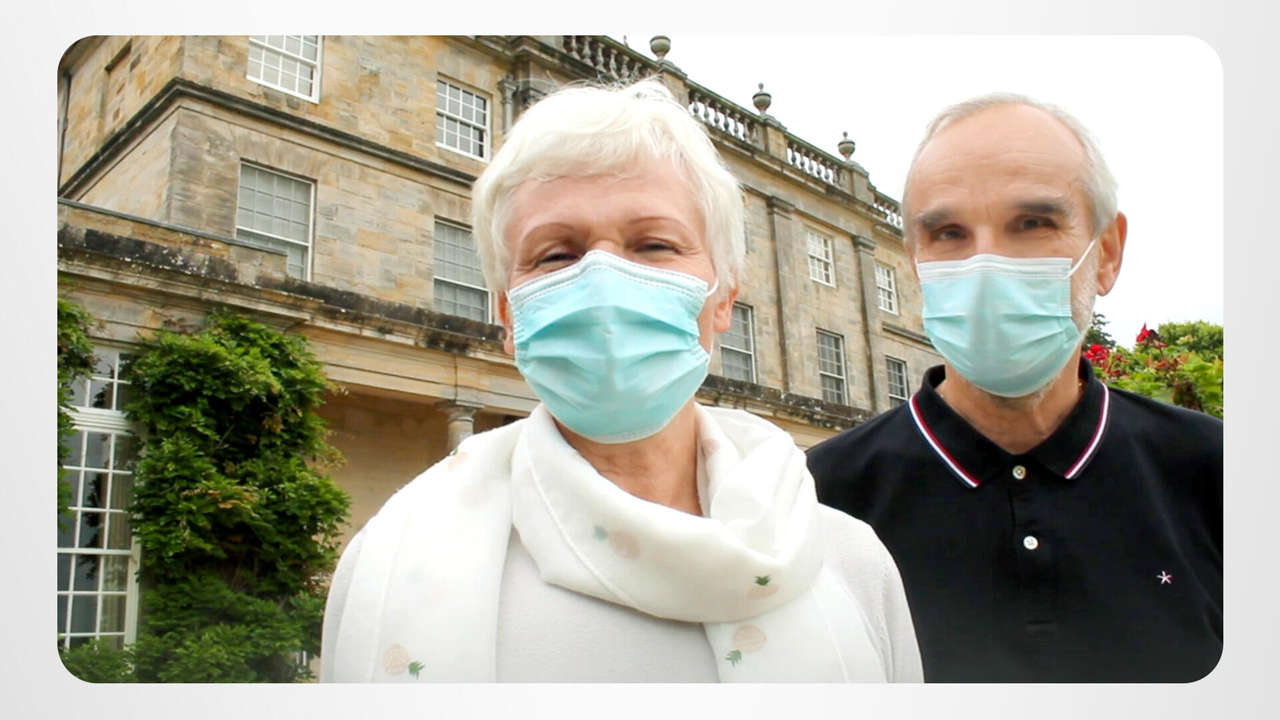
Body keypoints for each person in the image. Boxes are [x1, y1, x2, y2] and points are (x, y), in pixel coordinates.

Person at [320, 80, 922, 683]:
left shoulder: (851, 562)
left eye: (654, 244)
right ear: (509, 316)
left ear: (722, 301)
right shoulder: (386, 561)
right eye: (556, 255)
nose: (603, 280)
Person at [807, 94, 1222, 682]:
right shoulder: (814, 499)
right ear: (915, 263)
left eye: (1032, 224)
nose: (986, 265)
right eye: (948, 232)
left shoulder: (1221, 473)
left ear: (1106, 253)